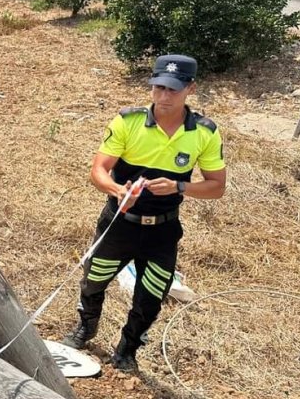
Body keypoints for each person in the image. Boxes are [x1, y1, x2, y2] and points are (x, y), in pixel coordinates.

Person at [61, 54, 227, 371]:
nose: (164, 96)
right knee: (94, 280)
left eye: (173, 90)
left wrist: (180, 187)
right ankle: (86, 327)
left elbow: (217, 186)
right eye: (159, 87)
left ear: (190, 88)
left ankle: (127, 350)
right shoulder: (128, 121)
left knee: (150, 297)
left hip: (162, 232)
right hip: (119, 223)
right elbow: (99, 169)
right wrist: (117, 190)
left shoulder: (204, 132)